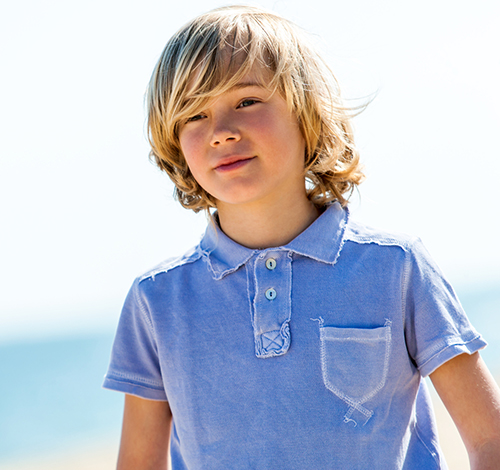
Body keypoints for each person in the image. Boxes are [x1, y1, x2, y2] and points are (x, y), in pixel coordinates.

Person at [103, 5, 500, 469]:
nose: (221, 132)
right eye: (194, 115)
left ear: (304, 111)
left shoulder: (395, 268)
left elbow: (489, 439)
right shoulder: (157, 301)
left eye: (246, 102)